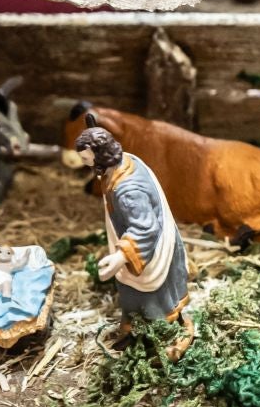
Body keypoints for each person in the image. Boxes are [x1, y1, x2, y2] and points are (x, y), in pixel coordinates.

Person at [74, 125, 192, 357]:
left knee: (150, 297)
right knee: (130, 290)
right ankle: (134, 329)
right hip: (136, 243)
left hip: (148, 252)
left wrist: (120, 256)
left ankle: (158, 336)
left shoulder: (129, 191)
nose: (85, 163)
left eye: (87, 158)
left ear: (100, 155)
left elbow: (146, 228)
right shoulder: (126, 161)